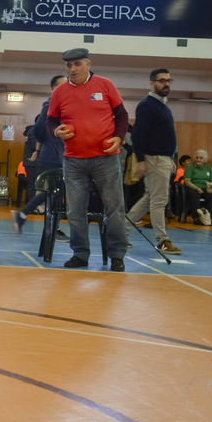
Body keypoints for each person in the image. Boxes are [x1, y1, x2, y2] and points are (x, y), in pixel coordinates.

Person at [46, 48, 129, 271]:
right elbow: (50, 122)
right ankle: (80, 254)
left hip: (106, 159)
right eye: (68, 65)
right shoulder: (59, 92)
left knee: (114, 208)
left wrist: (119, 138)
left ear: (88, 64)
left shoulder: (105, 85)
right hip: (74, 161)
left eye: (77, 64)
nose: (72, 69)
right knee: (75, 211)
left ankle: (117, 255)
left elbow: (122, 115)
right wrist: (56, 132)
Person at [124, 69, 181, 254]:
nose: (166, 84)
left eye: (168, 81)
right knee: (159, 201)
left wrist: (170, 157)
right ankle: (162, 240)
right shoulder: (147, 105)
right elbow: (139, 134)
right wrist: (140, 160)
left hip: (162, 158)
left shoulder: (162, 106)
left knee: (150, 199)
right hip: (154, 158)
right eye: (162, 81)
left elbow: (164, 135)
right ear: (152, 83)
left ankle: (120, 232)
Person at [12, 75, 68, 242]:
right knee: (56, 193)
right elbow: (37, 130)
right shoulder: (51, 104)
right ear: (54, 89)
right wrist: (49, 143)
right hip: (52, 158)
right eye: (63, 85)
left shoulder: (63, 105)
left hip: (60, 157)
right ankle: (51, 228)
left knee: (51, 193)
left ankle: (22, 215)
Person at [183, 150, 212, 226]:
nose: (198, 159)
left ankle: (210, 218)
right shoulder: (190, 168)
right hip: (193, 187)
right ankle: (196, 218)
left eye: (201, 158)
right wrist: (196, 188)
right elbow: (187, 181)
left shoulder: (209, 168)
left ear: (205, 160)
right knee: (194, 194)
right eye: (197, 157)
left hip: (206, 188)